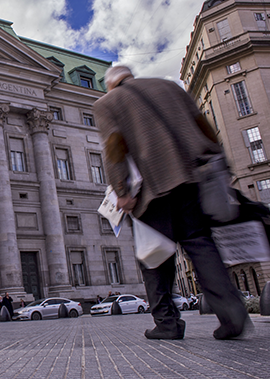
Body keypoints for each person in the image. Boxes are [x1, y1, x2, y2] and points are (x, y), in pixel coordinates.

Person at [93, 65, 250, 340]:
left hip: (153, 189)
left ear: (110, 84)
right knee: (201, 244)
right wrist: (217, 159)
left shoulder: (108, 102)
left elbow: (115, 146)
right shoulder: (168, 86)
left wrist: (121, 191)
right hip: (192, 179)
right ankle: (232, 313)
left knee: (154, 258)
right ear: (130, 76)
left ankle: (167, 323)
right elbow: (203, 125)